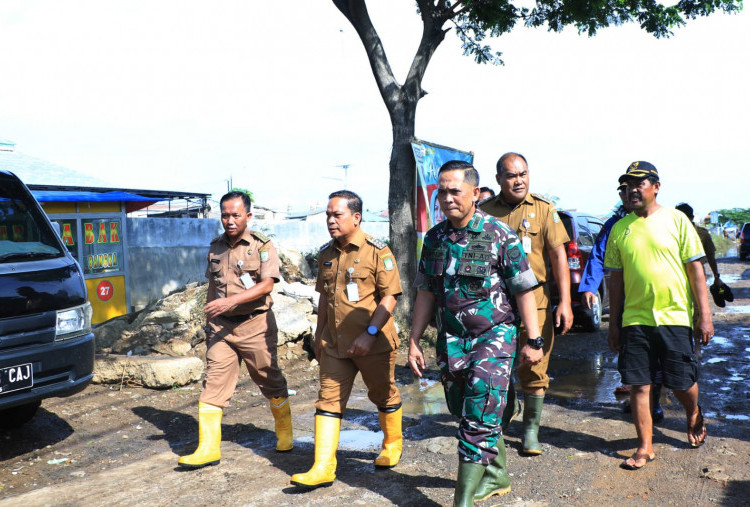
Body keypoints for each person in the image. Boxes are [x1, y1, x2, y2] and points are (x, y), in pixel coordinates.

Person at [408, 160, 542, 505]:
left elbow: (524, 290)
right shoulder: (435, 238)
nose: (448, 197)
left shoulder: (498, 234)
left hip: (494, 336)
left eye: (455, 191)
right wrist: (413, 340)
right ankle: (496, 474)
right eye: (442, 191)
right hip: (452, 340)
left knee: (479, 408)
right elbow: (426, 291)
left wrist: (534, 339)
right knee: (464, 408)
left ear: (476, 194)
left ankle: (461, 500)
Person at [291, 190, 403, 489]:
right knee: (328, 400)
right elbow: (326, 300)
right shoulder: (326, 253)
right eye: (328, 214)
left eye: (336, 214)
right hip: (335, 344)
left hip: (373, 343)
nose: (330, 220)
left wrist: (370, 334)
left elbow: (390, 298)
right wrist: (318, 336)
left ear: (356, 217)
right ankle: (323, 466)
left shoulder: (378, 251)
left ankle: (392, 443)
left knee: (382, 394)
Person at [605, 161, 713, 470]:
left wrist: (704, 315)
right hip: (635, 320)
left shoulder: (677, 220)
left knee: (681, 382)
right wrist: (613, 324)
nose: (633, 189)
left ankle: (693, 412)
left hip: (675, 316)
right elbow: (616, 281)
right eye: (629, 184)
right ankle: (645, 447)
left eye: (640, 183)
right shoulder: (620, 229)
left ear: (656, 186)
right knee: (640, 384)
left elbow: (696, 271)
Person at [178, 191, 292, 468]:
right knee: (214, 382)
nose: (229, 220)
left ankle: (285, 429)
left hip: (255, 324)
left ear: (248, 216)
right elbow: (213, 289)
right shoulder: (215, 246)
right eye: (225, 215)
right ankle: (208, 449)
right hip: (221, 328)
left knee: (269, 377)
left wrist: (231, 301)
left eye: (236, 215)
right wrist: (209, 320)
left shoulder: (262, 246)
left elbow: (266, 285)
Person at [479, 152, 572, 455]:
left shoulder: (544, 209)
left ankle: (530, 431)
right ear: (499, 180)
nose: (518, 180)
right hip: (496, 303)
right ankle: (505, 414)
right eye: (511, 175)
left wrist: (565, 302)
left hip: (538, 299)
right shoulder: (483, 212)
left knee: (535, 364)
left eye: (523, 174)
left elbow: (559, 257)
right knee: (497, 365)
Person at [579, 182, 663, 419]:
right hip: (626, 301)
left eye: (632, 189)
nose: (629, 194)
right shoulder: (614, 224)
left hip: (657, 300)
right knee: (630, 352)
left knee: (657, 354)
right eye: (623, 191)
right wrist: (589, 286)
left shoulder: (659, 220)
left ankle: (654, 403)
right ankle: (640, 400)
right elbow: (597, 255)